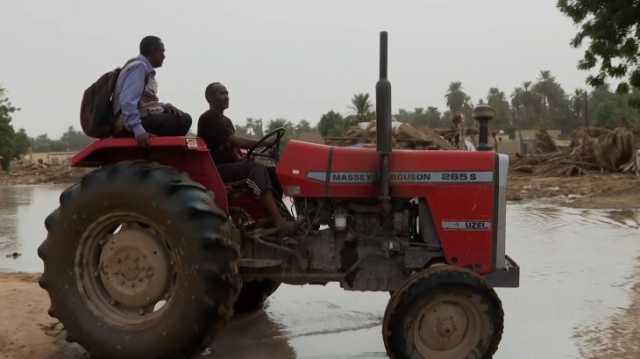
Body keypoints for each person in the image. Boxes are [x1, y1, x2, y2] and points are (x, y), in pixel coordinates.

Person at [198, 82, 298, 235]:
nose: (226, 97)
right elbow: (236, 141)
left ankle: (276, 215)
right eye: (221, 94)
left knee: (274, 171)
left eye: (227, 93)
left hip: (230, 165)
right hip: (217, 170)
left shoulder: (226, 121)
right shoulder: (209, 118)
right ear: (209, 98)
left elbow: (234, 150)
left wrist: (245, 158)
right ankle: (279, 221)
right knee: (255, 169)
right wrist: (265, 142)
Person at [113, 35, 192, 147]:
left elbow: (143, 102)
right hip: (127, 123)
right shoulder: (139, 67)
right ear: (153, 50)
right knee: (184, 120)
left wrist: (164, 106)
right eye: (162, 52)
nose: (164, 56)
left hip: (137, 118)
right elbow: (127, 101)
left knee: (181, 117)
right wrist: (138, 130)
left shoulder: (143, 68)